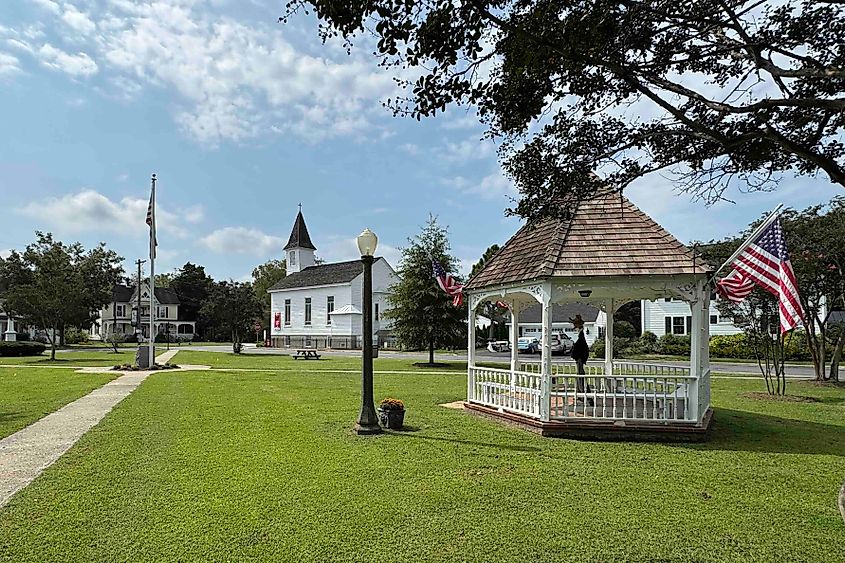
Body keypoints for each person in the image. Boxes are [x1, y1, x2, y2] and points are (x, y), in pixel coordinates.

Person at [569, 314, 591, 397]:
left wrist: (574, 354)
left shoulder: (581, 336)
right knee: (580, 374)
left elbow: (581, 347)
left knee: (580, 374)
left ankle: (583, 391)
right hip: (579, 358)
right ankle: (581, 390)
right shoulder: (580, 336)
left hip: (580, 358)